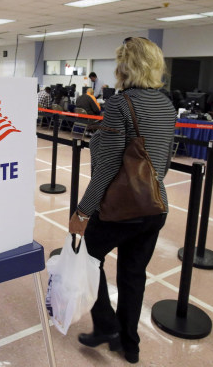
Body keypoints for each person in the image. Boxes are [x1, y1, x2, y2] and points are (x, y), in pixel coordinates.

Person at [69, 37, 176, 364]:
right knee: (133, 275)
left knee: (87, 255)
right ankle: (131, 345)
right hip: (154, 206)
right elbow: (164, 162)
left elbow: (108, 169)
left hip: (119, 209)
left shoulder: (119, 104)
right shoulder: (168, 105)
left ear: (125, 66)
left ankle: (106, 326)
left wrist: (83, 211)